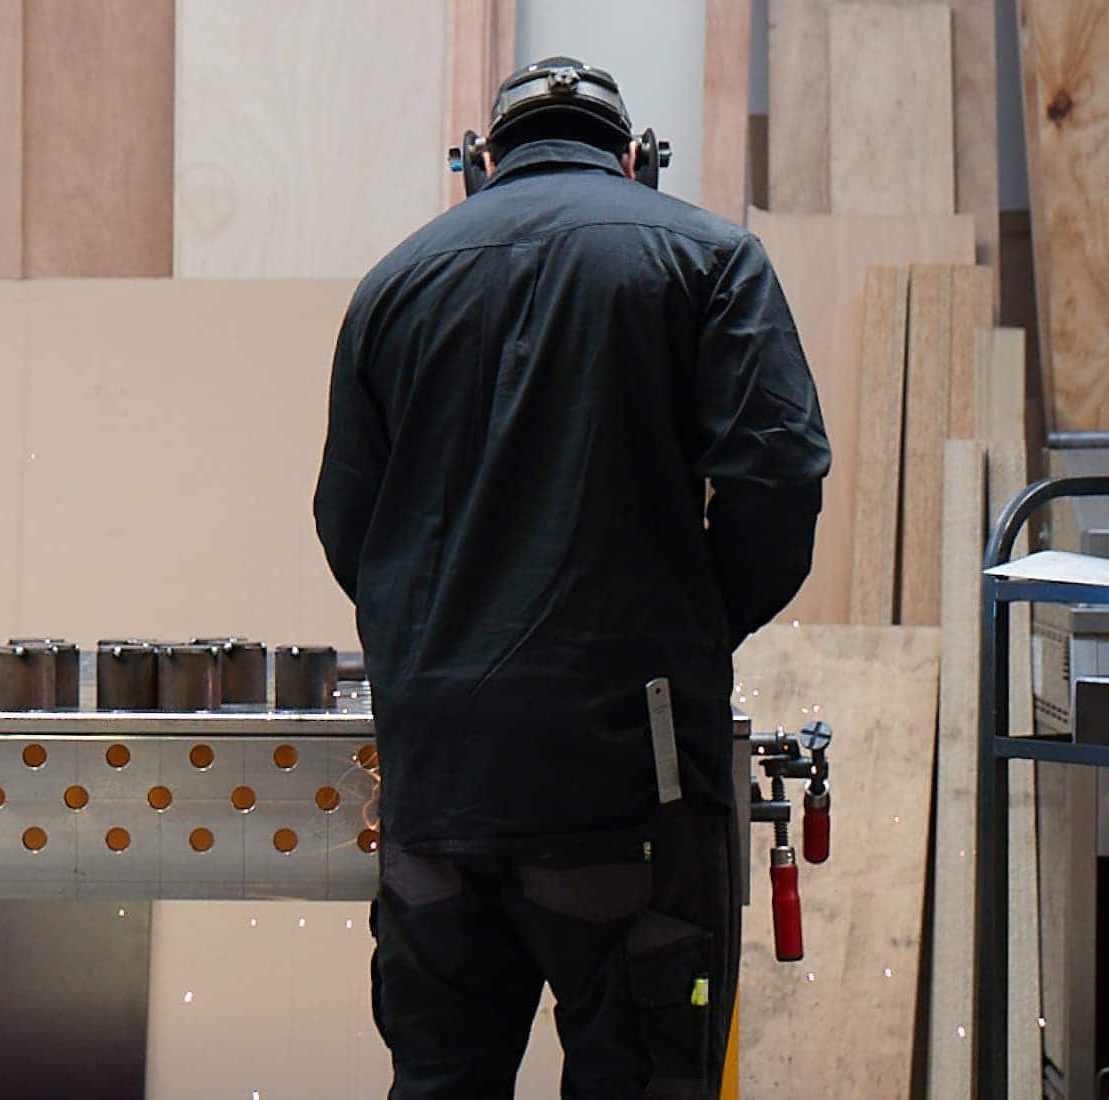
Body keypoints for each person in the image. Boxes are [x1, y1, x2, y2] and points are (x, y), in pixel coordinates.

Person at [314, 56, 830, 1100]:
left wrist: (434, 653)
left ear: (478, 164)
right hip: (626, 780)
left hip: (440, 781)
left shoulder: (393, 284)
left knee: (441, 1077)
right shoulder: (712, 260)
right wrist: (687, 634)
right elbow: (777, 482)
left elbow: (347, 527)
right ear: (637, 159)